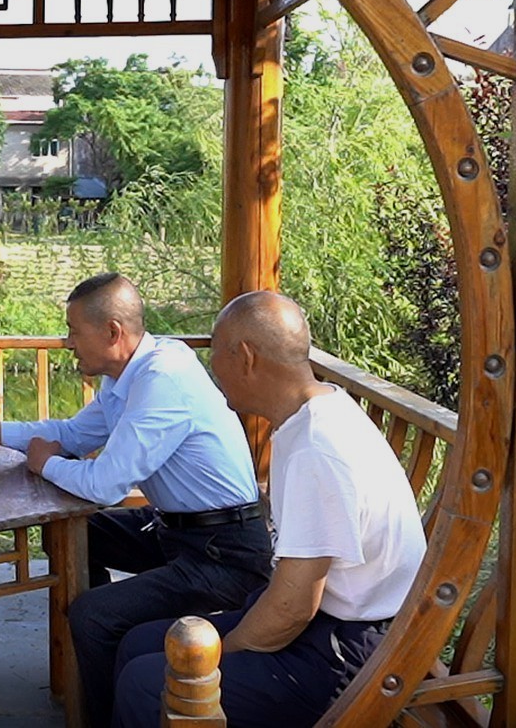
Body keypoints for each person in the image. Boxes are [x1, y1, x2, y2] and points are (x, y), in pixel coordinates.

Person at [0, 272, 269, 727]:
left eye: (74, 331)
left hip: (224, 554)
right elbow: (72, 435)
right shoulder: (126, 375)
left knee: (93, 616)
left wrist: (45, 465)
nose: (67, 343)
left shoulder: (163, 379)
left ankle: (108, 707)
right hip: (175, 530)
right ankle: (111, 657)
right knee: (75, 534)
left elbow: (105, 485)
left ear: (112, 332)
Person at [110, 291, 427, 727]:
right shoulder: (320, 408)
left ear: (245, 357)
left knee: (145, 683)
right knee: (139, 644)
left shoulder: (317, 447)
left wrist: (221, 656)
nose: (213, 371)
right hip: (327, 624)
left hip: (346, 650)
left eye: (216, 355)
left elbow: (292, 609)